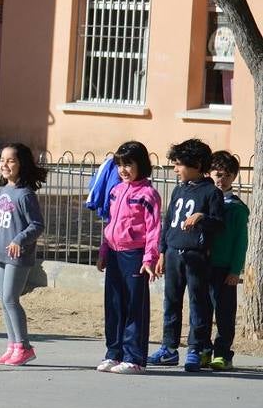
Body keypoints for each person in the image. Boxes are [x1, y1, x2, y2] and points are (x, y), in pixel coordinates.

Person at [149, 138, 225, 373]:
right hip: (173, 253)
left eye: (179, 164)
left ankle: (196, 349)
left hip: (196, 256)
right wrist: (162, 251)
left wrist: (202, 218)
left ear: (196, 164)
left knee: (197, 302)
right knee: (171, 302)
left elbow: (219, 224)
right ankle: (169, 349)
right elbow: (168, 222)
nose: (175, 169)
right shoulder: (179, 189)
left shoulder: (211, 192)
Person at [96, 141, 161, 374]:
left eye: (128, 164)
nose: (123, 170)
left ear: (140, 165)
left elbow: (154, 230)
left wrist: (149, 259)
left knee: (134, 306)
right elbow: (110, 223)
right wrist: (104, 252)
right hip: (114, 253)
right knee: (113, 305)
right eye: (120, 165)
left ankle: (134, 358)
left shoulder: (149, 194)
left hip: (134, 256)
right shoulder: (115, 191)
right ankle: (114, 353)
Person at [0, 143, 46, 365]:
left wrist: (20, 239)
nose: (4, 165)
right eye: (2, 160)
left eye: (11, 160)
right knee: (3, 300)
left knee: (10, 298)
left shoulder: (26, 195)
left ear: (21, 164)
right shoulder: (2, 190)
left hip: (18, 255)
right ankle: (12, 344)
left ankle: (24, 346)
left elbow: (37, 225)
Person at [207, 150, 249, 371]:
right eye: (217, 174)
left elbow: (241, 242)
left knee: (224, 313)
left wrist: (235, 270)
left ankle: (223, 353)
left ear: (233, 177)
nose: (220, 180)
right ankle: (203, 350)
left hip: (224, 268)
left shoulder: (237, 208)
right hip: (204, 265)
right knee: (202, 310)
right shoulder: (205, 201)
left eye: (225, 175)